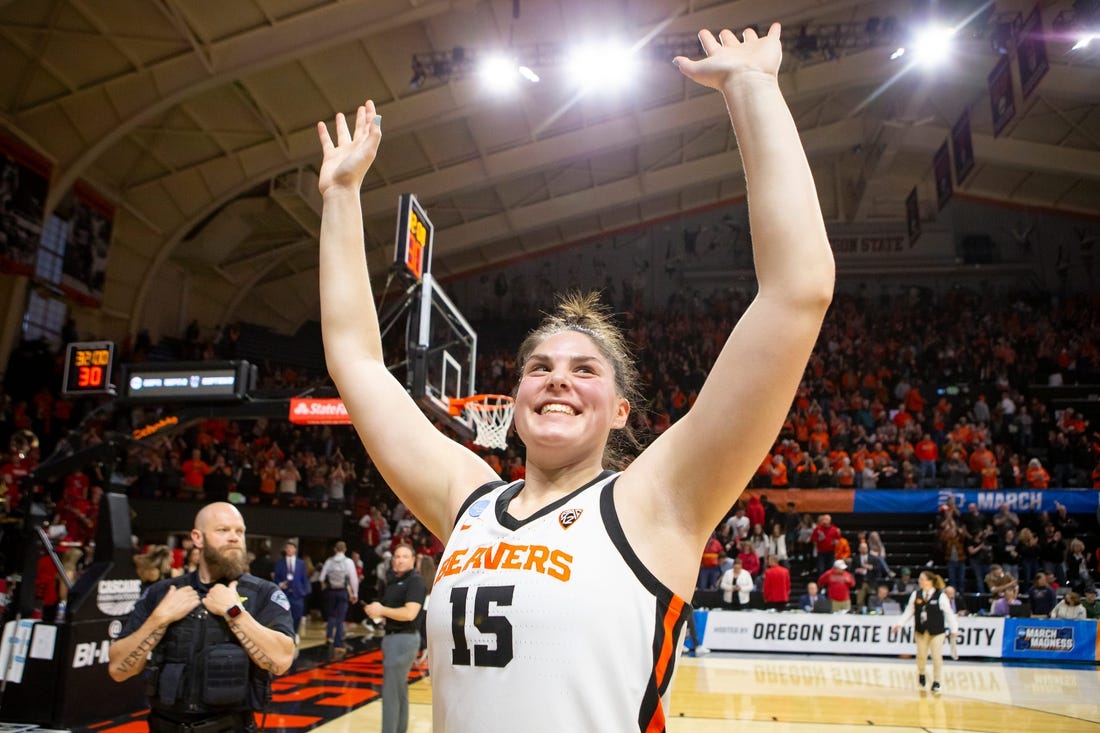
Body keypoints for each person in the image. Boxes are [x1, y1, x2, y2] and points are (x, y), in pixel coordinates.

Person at [317, 20, 834, 730]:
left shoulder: (655, 502)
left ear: (620, 410)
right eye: (540, 367)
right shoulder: (467, 501)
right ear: (515, 399)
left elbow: (797, 291)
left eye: (585, 369)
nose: (558, 379)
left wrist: (752, 89)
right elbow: (356, 361)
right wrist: (341, 196)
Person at [107, 503, 294, 732]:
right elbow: (118, 670)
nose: (234, 537)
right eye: (223, 530)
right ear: (197, 537)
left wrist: (234, 613)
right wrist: (160, 618)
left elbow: (282, 662)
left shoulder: (263, 593)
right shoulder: (162, 593)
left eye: (240, 531)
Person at [363, 544, 426, 733]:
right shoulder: (392, 581)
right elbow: (391, 611)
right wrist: (377, 613)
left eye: (405, 556)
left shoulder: (415, 581)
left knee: (390, 692)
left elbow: (409, 613)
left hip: (404, 639)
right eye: (397, 556)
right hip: (392, 637)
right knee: (399, 690)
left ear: (413, 560)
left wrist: (382, 610)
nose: (399, 560)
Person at [893, 571, 959, 694]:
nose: (920, 581)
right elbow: (909, 611)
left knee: (936, 656)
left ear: (930, 581)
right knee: (921, 655)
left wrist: (954, 629)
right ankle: (922, 673)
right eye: (920, 579)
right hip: (921, 631)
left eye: (922, 579)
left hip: (937, 632)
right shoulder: (916, 594)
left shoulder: (941, 596)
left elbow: (949, 613)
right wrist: (899, 624)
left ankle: (937, 681)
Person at [319, 540, 359, 651]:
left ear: (335, 549)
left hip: (331, 591)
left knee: (331, 616)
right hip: (343, 591)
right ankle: (337, 642)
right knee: (340, 618)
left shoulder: (329, 561)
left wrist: (326, 585)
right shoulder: (348, 562)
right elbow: (353, 579)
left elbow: (321, 578)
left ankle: (329, 637)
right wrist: (355, 593)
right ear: (345, 549)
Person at [273, 540, 311, 639]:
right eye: (287, 548)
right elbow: (276, 578)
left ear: (295, 550)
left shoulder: (301, 563)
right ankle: (286, 634)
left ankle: (294, 633)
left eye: (291, 548)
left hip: (297, 594)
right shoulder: (280, 563)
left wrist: (304, 591)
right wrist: (280, 584)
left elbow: (304, 578)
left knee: (297, 615)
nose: (289, 549)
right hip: (284, 594)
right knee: (283, 615)